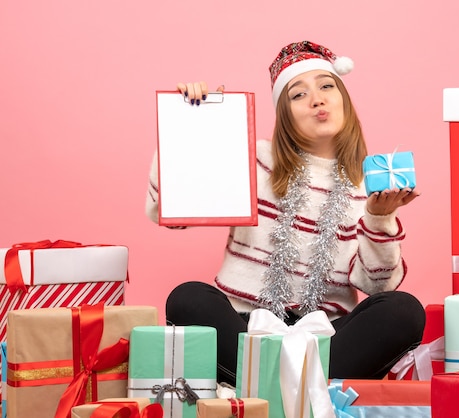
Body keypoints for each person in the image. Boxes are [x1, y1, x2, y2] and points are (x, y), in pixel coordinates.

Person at [145, 40, 425, 386]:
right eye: (298, 94)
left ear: (344, 100)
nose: (317, 99)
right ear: (284, 113)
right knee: (187, 297)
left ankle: (265, 386)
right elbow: (168, 209)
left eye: (326, 86)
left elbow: (378, 285)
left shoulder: (372, 182)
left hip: (326, 337)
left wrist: (379, 218)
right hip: (245, 327)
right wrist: (195, 124)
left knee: (403, 310)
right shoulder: (255, 159)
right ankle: (300, 389)